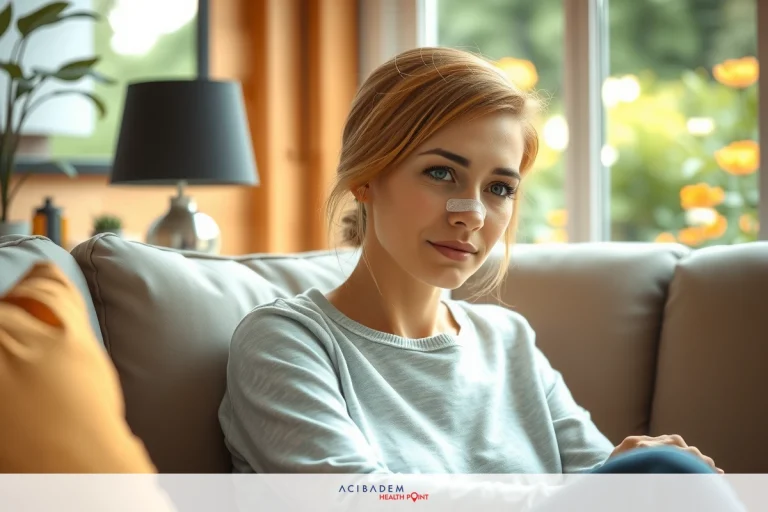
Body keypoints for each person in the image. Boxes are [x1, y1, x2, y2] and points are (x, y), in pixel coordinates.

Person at [217, 47, 724, 478]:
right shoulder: (286, 342)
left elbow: (600, 483)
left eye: (500, 188)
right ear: (365, 177)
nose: (473, 215)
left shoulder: (509, 341)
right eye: (441, 172)